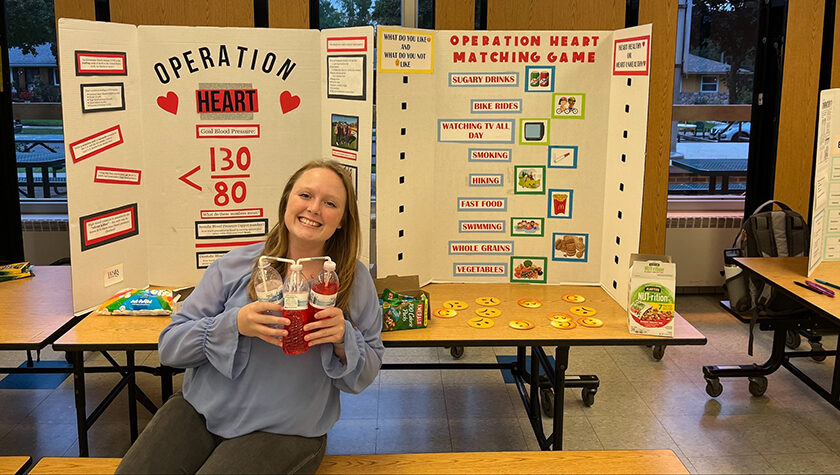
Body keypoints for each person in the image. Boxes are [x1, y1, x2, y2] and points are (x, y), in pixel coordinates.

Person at [117, 160, 384, 474]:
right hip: (201, 412)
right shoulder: (234, 265)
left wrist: (343, 340)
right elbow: (170, 348)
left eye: (330, 203)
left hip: (286, 431)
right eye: (305, 195)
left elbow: (367, 371)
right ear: (286, 201)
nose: (314, 208)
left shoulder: (353, 280)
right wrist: (234, 324)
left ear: (342, 220)